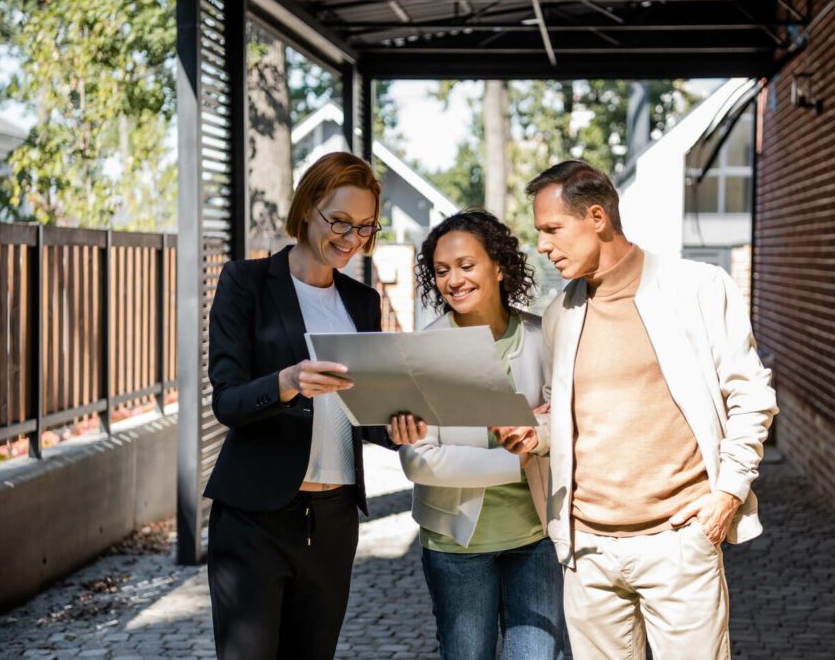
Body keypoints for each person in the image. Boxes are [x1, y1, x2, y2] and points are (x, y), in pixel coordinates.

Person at [496, 160, 778, 659]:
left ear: (598, 217)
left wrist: (729, 492)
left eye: (552, 230)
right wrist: (535, 435)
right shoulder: (561, 312)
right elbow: (573, 416)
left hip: (677, 542)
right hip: (588, 551)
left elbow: (751, 395)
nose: (542, 246)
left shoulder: (698, 287)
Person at [204, 152, 424, 659]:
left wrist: (399, 427)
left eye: (365, 228)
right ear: (307, 208)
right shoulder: (246, 283)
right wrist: (286, 381)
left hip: (333, 521)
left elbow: (360, 411)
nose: (352, 239)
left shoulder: (363, 301)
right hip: (255, 518)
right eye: (340, 222)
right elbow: (228, 402)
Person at [391, 210, 566, 660]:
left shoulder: (543, 337)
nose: (454, 280)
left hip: (536, 537)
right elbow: (419, 461)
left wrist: (540, 434)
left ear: (499, 266)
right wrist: (516, 460)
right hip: (456, 544)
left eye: (467, 266)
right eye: (443, 271)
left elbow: (566, 424)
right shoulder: (423, 352)